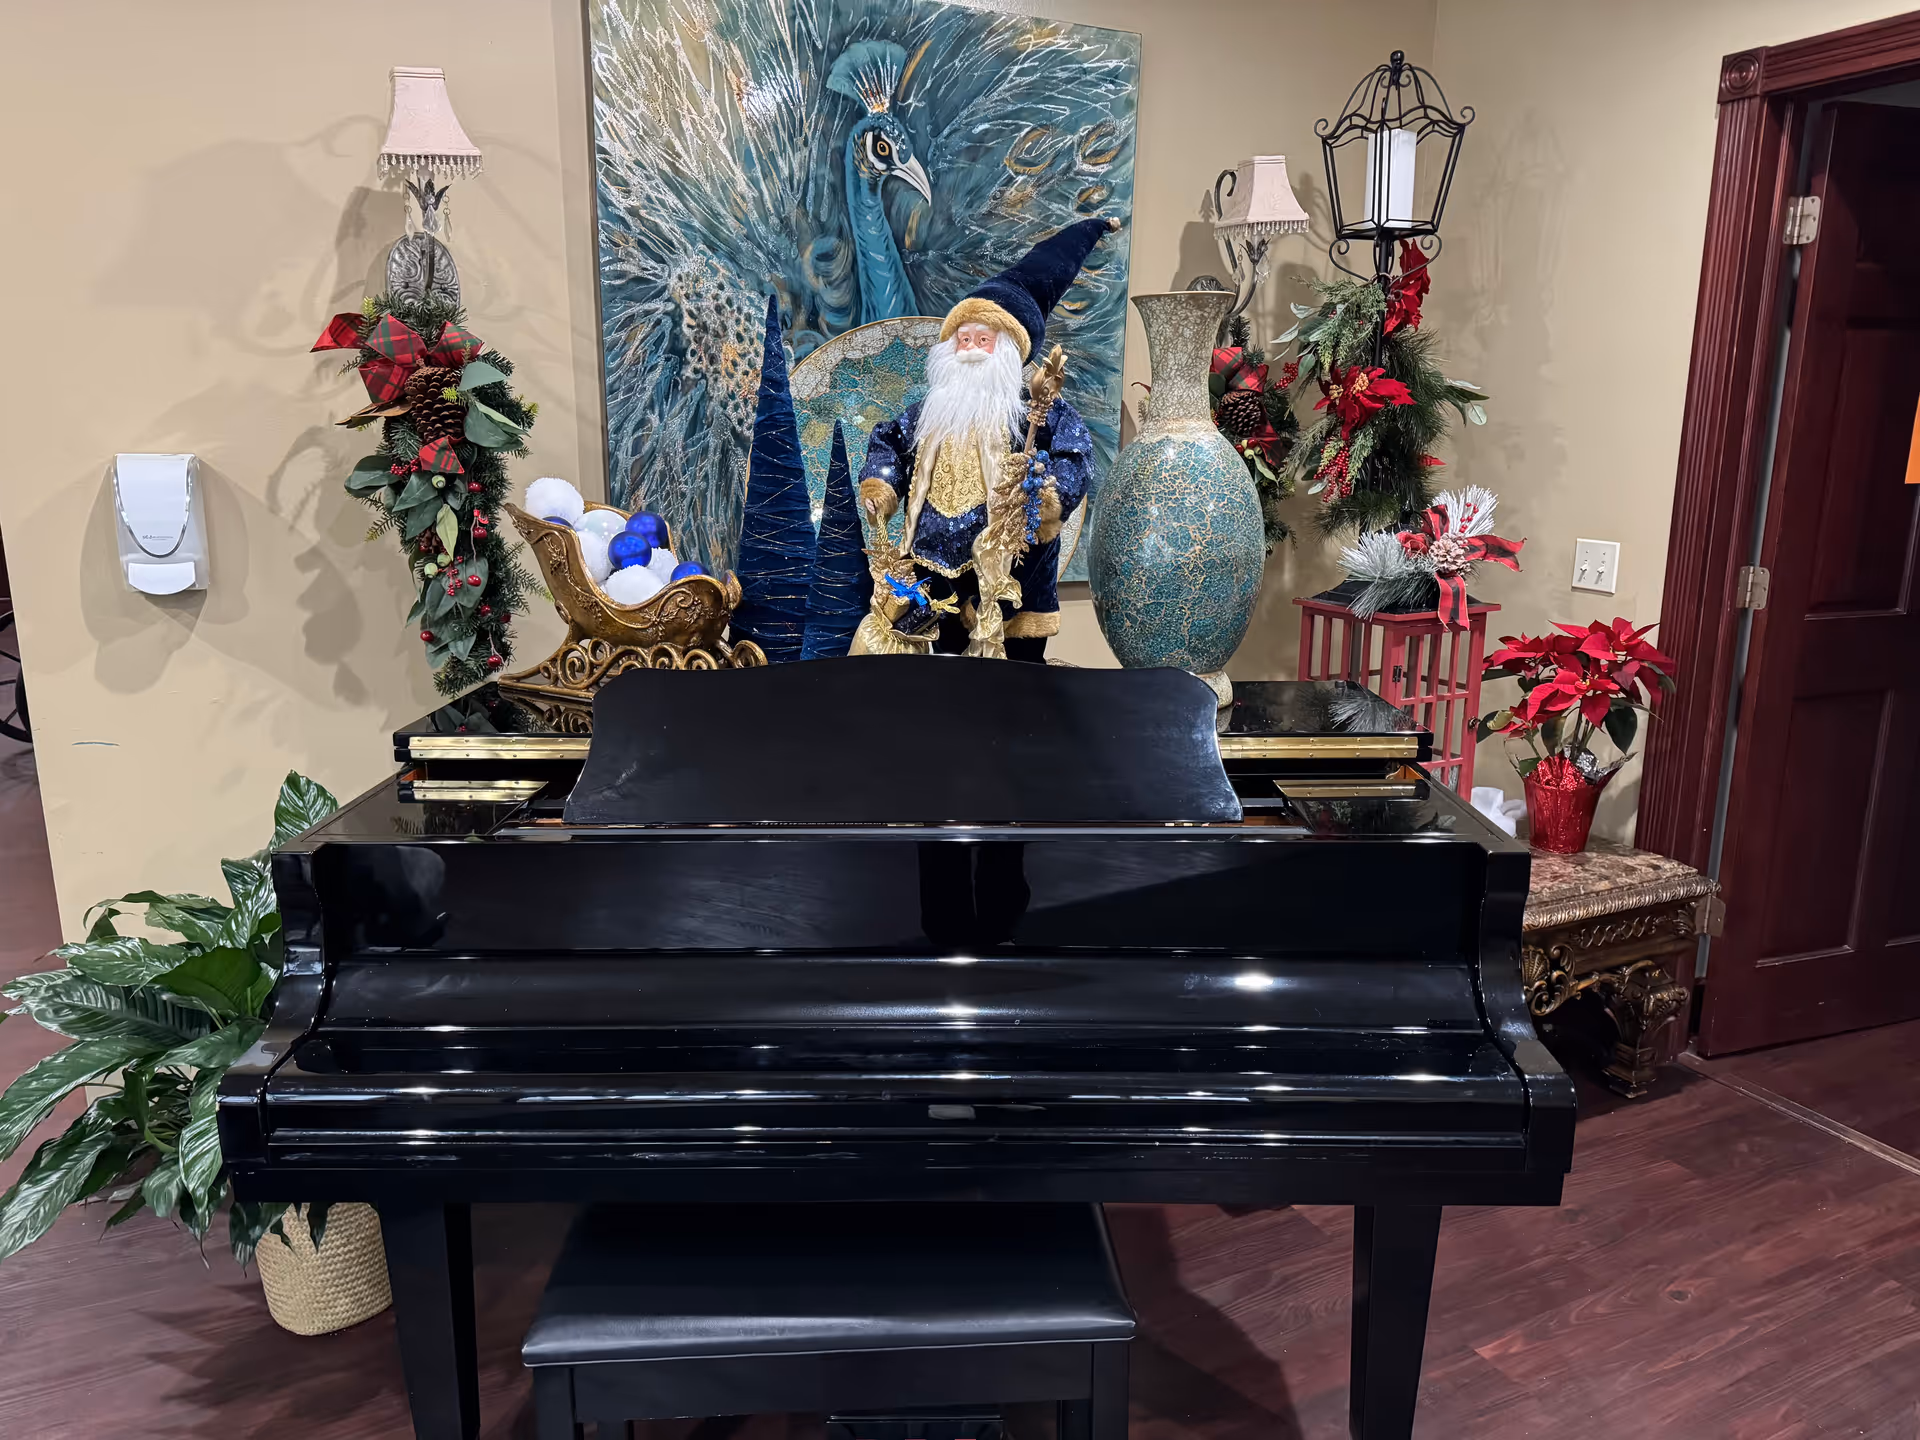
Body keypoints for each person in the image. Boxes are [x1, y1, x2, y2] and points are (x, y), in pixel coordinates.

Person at [857, 218, 1118, 661]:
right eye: (964, 339)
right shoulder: (930, 413)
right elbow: (888, 439)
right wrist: (881, 484)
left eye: (984, 339)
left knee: (1012, 678)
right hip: (933, 571)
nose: (972, 349)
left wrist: (1047, 496)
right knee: (941, 675)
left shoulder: (1036, 411)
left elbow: (1074, 453)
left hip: (1011, 567)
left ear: (1010, 350)